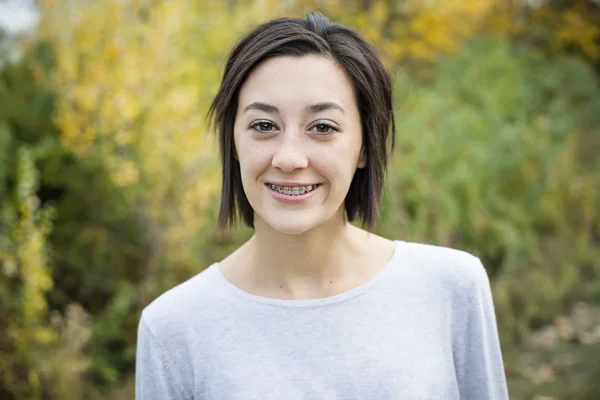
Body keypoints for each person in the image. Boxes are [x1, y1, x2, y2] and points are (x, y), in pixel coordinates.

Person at [135, 12, 509, 400]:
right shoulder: (172, 328)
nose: (290, 158)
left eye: (323, 127)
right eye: (264, 125)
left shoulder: (451, 287)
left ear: (365, 146)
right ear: (233, 142)